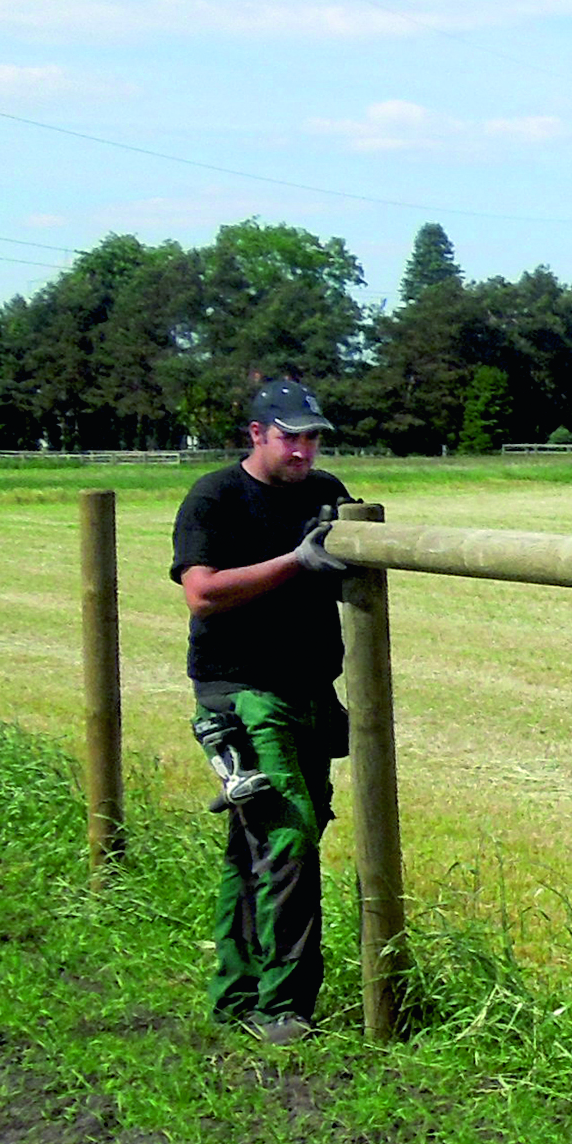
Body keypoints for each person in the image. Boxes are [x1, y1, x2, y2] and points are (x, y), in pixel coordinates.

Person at [171, 379, 357, 1041]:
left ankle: (234, 997)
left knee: (255, 846)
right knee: (287, 838)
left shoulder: (326, 492)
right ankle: (283, 1009)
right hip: (242, 690)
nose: (304, 451)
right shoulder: (215, 497)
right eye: (291, 437)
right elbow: (204, 593)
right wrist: (298, 562)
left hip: (310, 689)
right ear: (257, 434)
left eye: (312, 438)